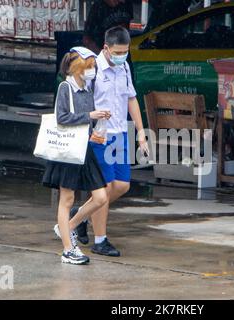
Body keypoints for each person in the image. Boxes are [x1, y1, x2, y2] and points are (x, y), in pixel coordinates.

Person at [72, 26, 149, 257]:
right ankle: (100, 240)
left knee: (122, 185)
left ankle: (81, 215)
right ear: (106, 48)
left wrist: (141, 132)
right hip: (99, 137)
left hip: (120, 135)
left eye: (125, 51)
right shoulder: (91, 69)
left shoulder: (124, 66)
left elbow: (131, 99)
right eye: (118, 51)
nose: (122, 55)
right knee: (103, 190)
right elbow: (80, 101)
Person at [42, 47, 111, 265]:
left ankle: (67, 228)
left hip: (85, 147)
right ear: (77, 67)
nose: (92, 71)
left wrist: (97, 126)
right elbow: (62, 118)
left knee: (100, 196)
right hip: (68, 150)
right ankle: (68, 249)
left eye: (93, 67)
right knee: (67, 199)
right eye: (89, 66)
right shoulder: (65, 87)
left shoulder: (87, 89)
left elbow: (84, 120)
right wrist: (90, 115)